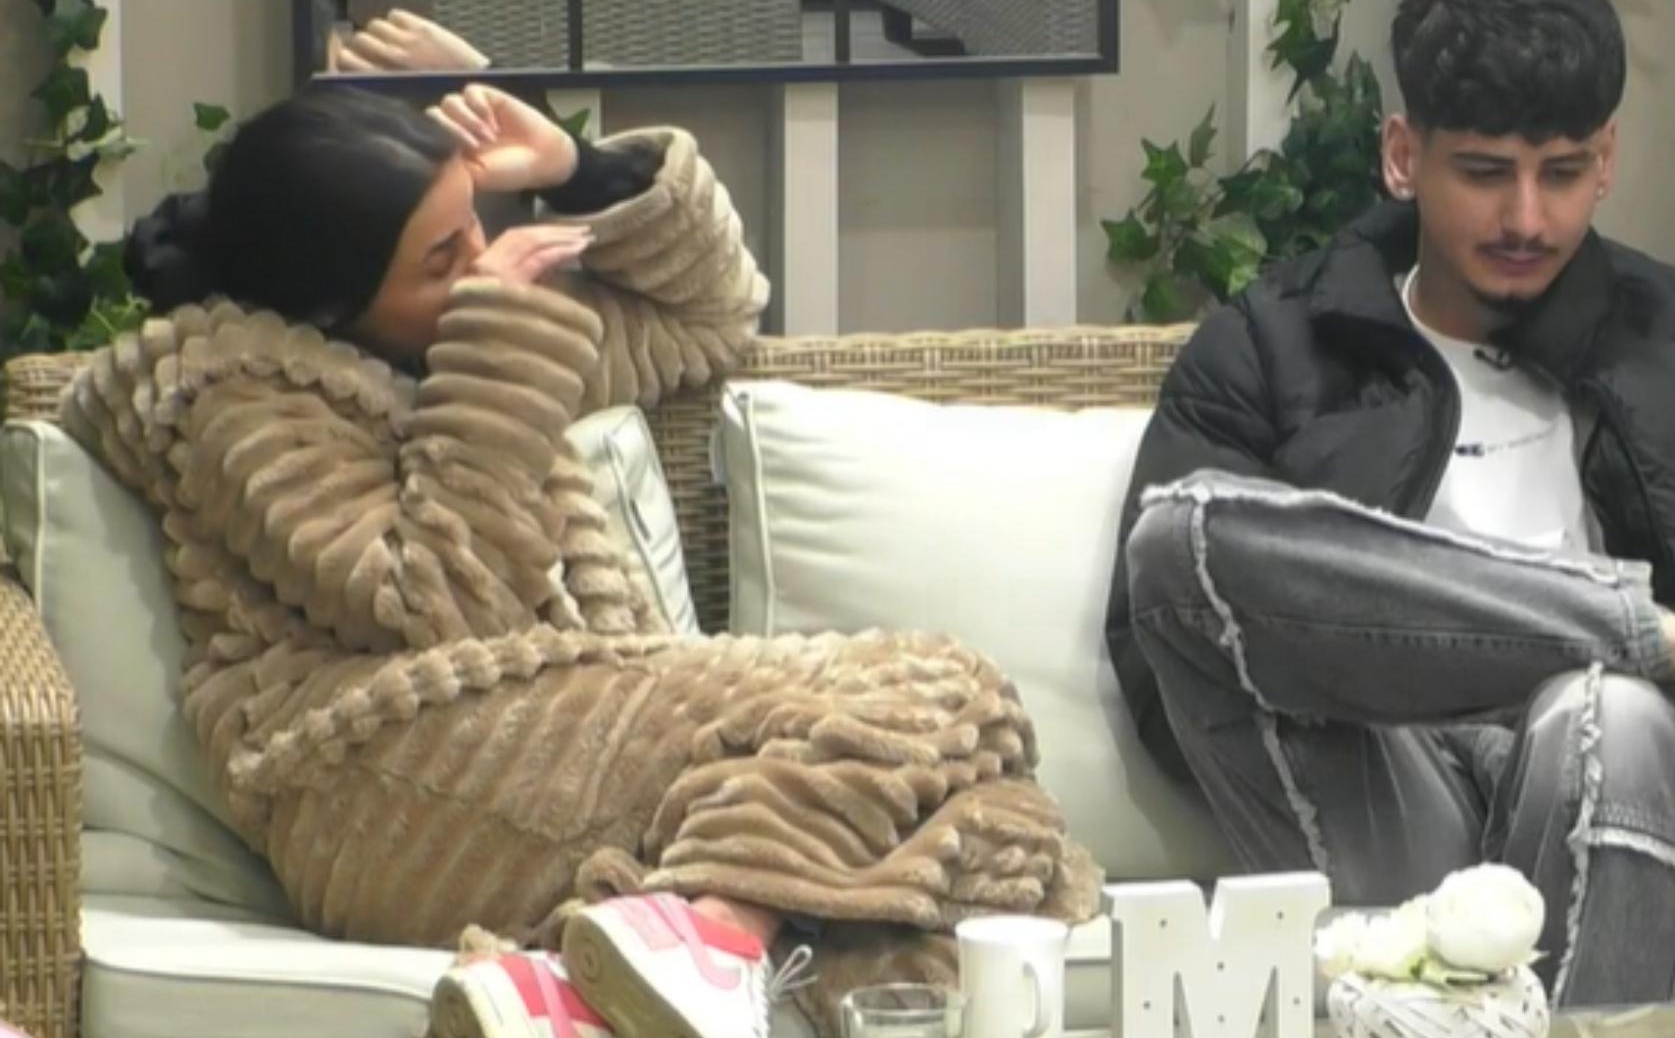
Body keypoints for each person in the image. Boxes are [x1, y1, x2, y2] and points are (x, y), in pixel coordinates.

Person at [70, 83, 1099, 1038]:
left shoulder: (448, 333)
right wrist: (496, 337)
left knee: (1002, 832)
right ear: (330, 306)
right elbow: (438, 603)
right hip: (381, 782)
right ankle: (712, 934)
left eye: (476, 223)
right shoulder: (239, 402)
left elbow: (707, 313)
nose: (483, 260)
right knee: (939, 690)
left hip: (549, 746)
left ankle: (608, 977)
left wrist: (578, 169)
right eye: (441, 257)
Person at [1107, 0, 1675, 1008]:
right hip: (1392, 784)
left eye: (1562, 172)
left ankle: (1638, 667)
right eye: (1485, 173)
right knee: (1179, 538)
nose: (1526, 218)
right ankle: (1656, 636)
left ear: (1607, 158)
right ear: (1404, 155)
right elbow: (1166, 642)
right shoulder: (1265, 349)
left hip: (1648, 788)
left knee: (1610, 716)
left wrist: (1667, 699)